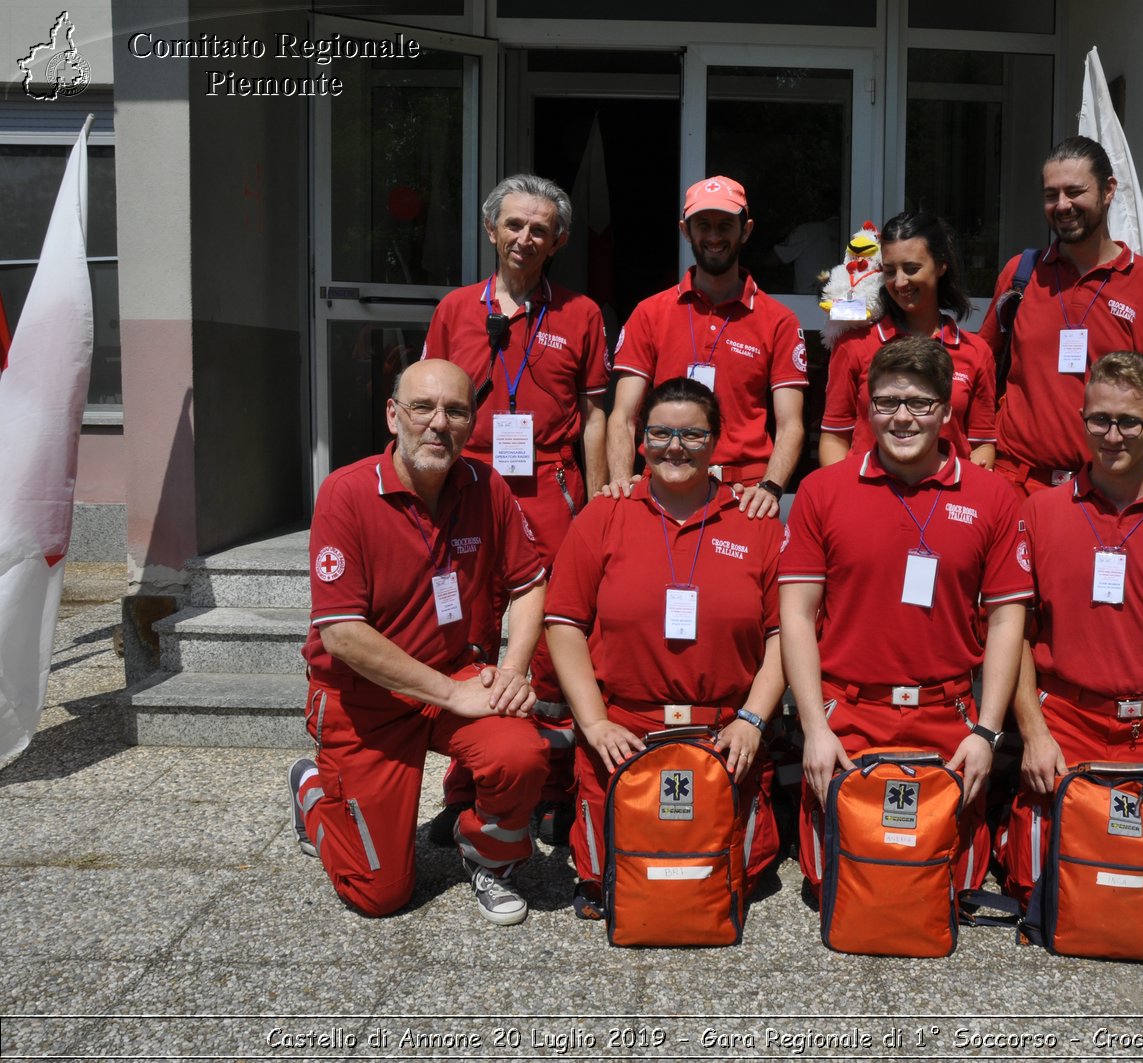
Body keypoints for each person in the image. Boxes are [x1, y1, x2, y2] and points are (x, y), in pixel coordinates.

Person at [288, 360, 551, 925]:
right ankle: (312, 792)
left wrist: (513, 670)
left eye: (456, 411)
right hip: (366, 699)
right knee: (378, 895)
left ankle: (486, 857)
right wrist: (454, 697)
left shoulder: (487, 486)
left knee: (522, 753)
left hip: (457, 673)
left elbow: (531, 585)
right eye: (422, 408)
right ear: (393, 416)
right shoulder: (346, 493)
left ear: (472, 422)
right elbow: (343, 634)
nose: (439, 424)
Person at [779, 335, 1031, 899]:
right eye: (888, 402)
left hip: (949, 720)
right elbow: (795, 615)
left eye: (919, 403)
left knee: (947, 889)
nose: (902, 418)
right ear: (867, 408)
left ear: (945, 410)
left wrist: (988, 732)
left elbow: (1007, 621)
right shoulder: (822, 491)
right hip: (850, 719)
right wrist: (814, 731)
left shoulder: (993, 497)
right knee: (839, 884)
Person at [999, 350, 1143, 903]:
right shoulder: (1040, 513)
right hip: (1066, 724)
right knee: (1044, 884)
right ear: (1082, 419)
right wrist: (1033, 734)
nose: (1112, 434)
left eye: (1129, 421)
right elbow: (1016, 635)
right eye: (1099, 419)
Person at [547, 377, 785, 918]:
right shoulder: (604, 514)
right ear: (640, 440)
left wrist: (752, 719)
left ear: (718, 441)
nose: (674, 446)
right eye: (659, 432)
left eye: (692, 435)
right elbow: (563, 623)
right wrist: (595, 723)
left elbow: (782, 636)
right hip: (625, 732)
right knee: (616, 877)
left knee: (720, 878)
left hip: (723, 734)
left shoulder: (756, 523)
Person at [419, 174, 609, 845]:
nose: (525, 237)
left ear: (557, 240)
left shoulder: (581, 313)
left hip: (549, 492)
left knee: (555, 643)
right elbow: (427, 407)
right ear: (491, 231)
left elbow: (594, 415)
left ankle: (552, 789)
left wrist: (602, 497)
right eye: (514, 225)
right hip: (469, 489)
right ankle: (467, 785)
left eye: (539, 228)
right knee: (467, 634)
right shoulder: (453, 310)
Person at [978, 136, 1143, 507]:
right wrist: (980, 443)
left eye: (1075, 191)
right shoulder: (1020, 275)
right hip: (1015, 484)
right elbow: (982, 366)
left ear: (1109, 190)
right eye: (1052, 194)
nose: (1062, 205)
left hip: (1106, 493)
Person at [606, 176, 809, 521]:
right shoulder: (650, 312)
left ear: (745, 230)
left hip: (745, 495)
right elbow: (623, 415)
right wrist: (623, 482)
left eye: (725, 225)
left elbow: (791, 424)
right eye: (703, 225)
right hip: (665, 483)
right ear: (686, 230)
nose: (714, 236)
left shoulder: (779, 321)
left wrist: (771, 488)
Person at [819, 211, 996, 469]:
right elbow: (835, 437)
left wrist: (973, 484)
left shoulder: (976, 351)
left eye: (911, 269)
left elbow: (981, 442)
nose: (900, 282)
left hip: (944, 501)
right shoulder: (853, 345)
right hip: (870, 500)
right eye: (890, 271)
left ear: (941, 265)